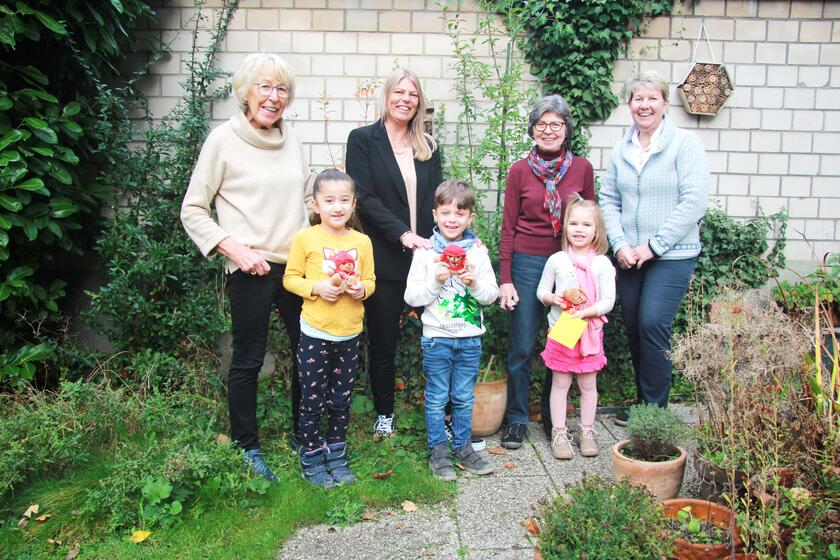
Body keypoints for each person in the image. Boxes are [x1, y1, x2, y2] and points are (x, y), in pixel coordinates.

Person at [181, 53, 314, 481]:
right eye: (265, 87)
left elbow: (305, 202)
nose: (274, 97)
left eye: (282, 89)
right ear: (245, 92)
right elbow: (193, 210)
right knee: (248, 360)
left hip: (296, 268)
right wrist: (235, 251)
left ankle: (304, 435)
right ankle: (247, 446)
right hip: (251, 268)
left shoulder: (292, 140)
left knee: (308, 352)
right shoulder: (222, 140)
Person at [599, 70, 709, 425]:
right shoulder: (622, 149)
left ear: (664, 103)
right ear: (629, 105)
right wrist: (619, 244)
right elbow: (608, 199)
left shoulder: (684, 144)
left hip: (672, 255)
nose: (644, 105)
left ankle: (655, 413)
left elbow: (694, 202)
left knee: (652, 323)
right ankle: (644, 403)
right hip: (629, 257)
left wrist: (654, 246)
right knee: (634, 327)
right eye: (637, 99)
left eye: (651, 98)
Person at [345, 68, 442, 437]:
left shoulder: (428, 147)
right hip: (384, 257)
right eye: (399, 92)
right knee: (383, 342)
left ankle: (443, 414)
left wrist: (454, 241)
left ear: (419, 102)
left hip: (426, 260)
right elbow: (365, 198)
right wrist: (403, 234)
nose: (405, 99)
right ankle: (384, 414)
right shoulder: (363, 140)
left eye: (412, 94)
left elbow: (438, 200)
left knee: (440, 338)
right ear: (386, 96)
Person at [498, 95, 595, 450]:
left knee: (564, 343)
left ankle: (555, 418)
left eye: (556, 124)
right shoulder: (519, 171)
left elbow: (591, 220)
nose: (549, 131)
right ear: (532, 130)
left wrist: (589, 271)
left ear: (566, 129)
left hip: (568, 266)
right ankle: (517, 418)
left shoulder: (582, 169)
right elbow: (508, 228)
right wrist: (506, 278)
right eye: (542, 124)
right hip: (527, 263)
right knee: (522, 346)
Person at [283, 169, 376, 488]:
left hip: (349, 334)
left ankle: (336, 454)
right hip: (315, 333)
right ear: (315, 205)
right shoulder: (305, 239)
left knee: (341, 399)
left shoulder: (362, 242)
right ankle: (311, 456)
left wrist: (361, 289)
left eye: (344, 200)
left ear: (353, 204)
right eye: (330, 200)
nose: (338, 207)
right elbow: (290, 279)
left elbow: (370, 280)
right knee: (312, 400)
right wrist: (317, 288)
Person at [404, 180, 499, 480]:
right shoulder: (425, 254)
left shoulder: (478, 254)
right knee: (436, 398)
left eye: (460, 213)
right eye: (445, 213)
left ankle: (463, 447)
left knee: (463, 397)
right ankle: (439, 451)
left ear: (470, 217)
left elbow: (491, 295)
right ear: (435, 214)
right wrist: (436, 281)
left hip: (469, 339)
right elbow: (412, 297)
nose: (452, 219)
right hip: (437, 339)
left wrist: (474, 283)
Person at [536, 197, 615, 459]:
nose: (579, 229)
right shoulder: (557, 260)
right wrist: (553, 298)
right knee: (560, 383)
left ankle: (587, 431)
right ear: (565, 227)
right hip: (564, 329)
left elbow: (608, 301)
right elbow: (541, 291)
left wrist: (587, 312)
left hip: (588, 331)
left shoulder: (602, 264)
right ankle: (559, 433)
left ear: (597, 230)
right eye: (573, 223)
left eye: (586, 224)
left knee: (588, 384)